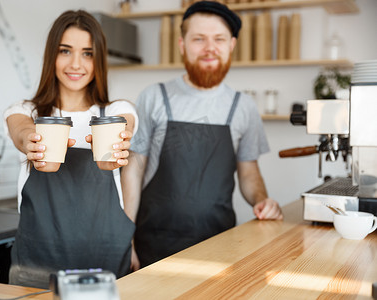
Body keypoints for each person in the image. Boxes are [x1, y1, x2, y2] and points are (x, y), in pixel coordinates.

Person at [121, 1, 283, 269]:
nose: (210, 48)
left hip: (220, 248)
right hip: (151, 248)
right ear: (182, 45)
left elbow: (249, 173)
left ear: (231, 46)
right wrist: (125, 240)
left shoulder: (243, 107)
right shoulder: (154, 97)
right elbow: (133, 172)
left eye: (218, 39)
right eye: (199, 39)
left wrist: (262, 201)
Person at [4, 10, 137, 288]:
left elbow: (123, 126)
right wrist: (33, 140)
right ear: (51, 55)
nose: (76, 63)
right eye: (66, 51)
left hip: (107, 262)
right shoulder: (26, 112)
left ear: (98, 60)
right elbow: (21, 131)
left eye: (87, 53)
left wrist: (117, 143)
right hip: (36, 266)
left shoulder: (114, 111)